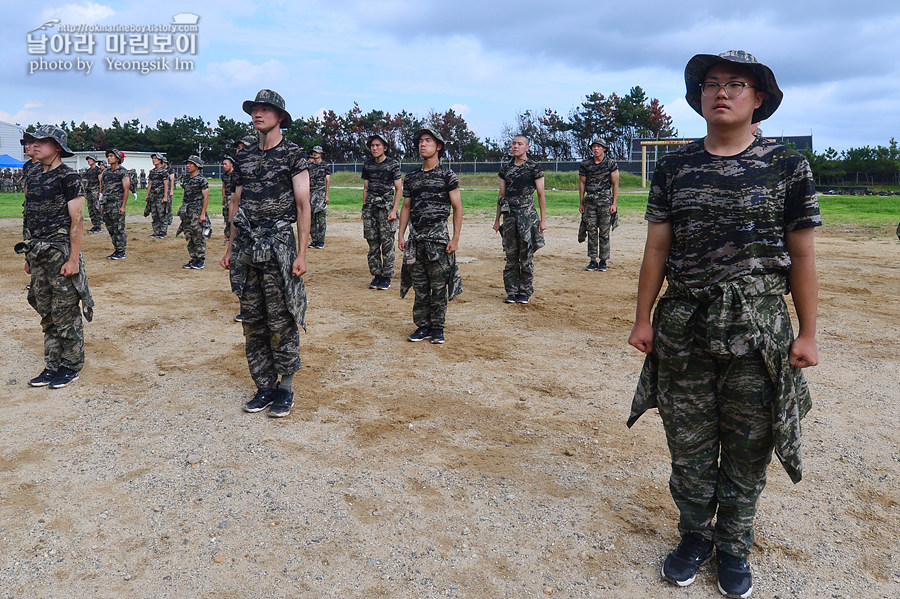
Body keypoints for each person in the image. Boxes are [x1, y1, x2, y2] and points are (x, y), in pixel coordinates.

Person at [626, 50, 820, 599]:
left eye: (737, 84)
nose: (722, 92)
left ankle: (734, 544)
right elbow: (657, 246)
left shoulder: (788, 166)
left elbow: (802, 255)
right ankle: (694, 536)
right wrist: (643, 318)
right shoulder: (675, 167)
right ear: (700, 97)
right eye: (711, 84)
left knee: (748, 444)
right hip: (684, 326)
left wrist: (806, 332)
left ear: (759, 98)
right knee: (687, 441)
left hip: (756, 329)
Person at [221, 88, 310, 418]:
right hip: (247, 248)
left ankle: (285, 388)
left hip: (278, 248)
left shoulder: (293, 155)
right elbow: (236, 204)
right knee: (253, 320)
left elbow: (303, 205)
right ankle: (264, 386)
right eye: (255, 109)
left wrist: (301, 254)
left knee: (281, 317)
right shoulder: (244, 158)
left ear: (280, 117)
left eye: (265, 109)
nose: (258, 113)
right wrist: (231, 247)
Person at [19, 125, 94, 389]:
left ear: (58, 147)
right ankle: (52, 365)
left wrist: (73, 259)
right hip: (38, 254)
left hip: (60, 253)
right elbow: (29, 217)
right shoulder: (35, 175)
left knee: (65, 311)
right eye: (34, 142)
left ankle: (71, 365)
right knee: (47, 312)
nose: (35, 145)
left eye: (43, 142)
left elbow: (78, 220)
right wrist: (29, 255)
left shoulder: (69, 177)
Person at [398, 128, 463, 345]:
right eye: (420, 141)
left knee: (438, 286)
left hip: (438, 241)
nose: (422, 144)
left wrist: (455, 239)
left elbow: (457, 207)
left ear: (439, 146)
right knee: (420, 285)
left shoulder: (447, 175)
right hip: (416, 240)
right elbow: (406, 206)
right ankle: (423, 326)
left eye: (428, 141)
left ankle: (437, 328)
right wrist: (401, 234)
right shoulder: (412, 177)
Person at [493, 135, 548, 304]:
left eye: (520, 144)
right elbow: (501, 195)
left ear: (527, 148)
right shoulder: (506, 169)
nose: (515, 146)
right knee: (510, 255)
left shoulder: (534, 168)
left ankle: (524, 292)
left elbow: (540, 193)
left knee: (525, 255)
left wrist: (543, 219)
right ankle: (512, 291)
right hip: (509, 216)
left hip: (527, 216)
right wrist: (497, 220)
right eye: (514, 143)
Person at [361, 133, 402, 290]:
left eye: (378, 145)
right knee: (372, 242)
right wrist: (364, 208)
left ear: (385, 147)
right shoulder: (368, 164)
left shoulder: (393, 165)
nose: (375, 148)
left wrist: (394, 210)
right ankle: (376, 275)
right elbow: (366, 188)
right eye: (372, 145)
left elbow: (398, 189)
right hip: (371, 207)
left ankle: (386, 276)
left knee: (387, 243)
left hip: (386, 208)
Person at [578, 137, 619, 271]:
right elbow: (582, 183)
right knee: (591, 231)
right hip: (590, 202)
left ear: (604, 149)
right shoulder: (586, 164)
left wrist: (614, 203)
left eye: (599, 146)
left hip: (605, 202)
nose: (596, 149)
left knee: (604, 232)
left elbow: (615, 184)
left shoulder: (610, 164)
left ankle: (603, 260)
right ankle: (592, 259)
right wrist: (581, 203)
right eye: (594, 146)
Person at [176, 155, 210, 269]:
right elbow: (185, 195)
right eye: (187, 163)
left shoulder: (202, 180)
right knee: (189, 235)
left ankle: (200, 259)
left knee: (198, 235)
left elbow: (206, 197)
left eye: (191, 164)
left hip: (197, 210)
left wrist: (203, 213)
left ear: (197, 166)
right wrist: (182, 211)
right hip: (187, 210)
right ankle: (194, 258)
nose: (188, 166)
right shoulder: (186, 179)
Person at [101, 149, 130, 260]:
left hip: (117, 204)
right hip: (108, 203)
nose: (109, 158)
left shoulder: (123, 172)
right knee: (110, 227)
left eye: (111, 156)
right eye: (108, 156)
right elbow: (105, 188)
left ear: (118, 158)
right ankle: (117, 248)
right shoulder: (106, 172)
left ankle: (121, 250)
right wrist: (102, 204)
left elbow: (126, 190)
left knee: (119, 228)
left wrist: (123, 206)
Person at [307, 145, 330, 249]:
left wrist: (327, 195)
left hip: (320, 193)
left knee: (321, 219)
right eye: (313, 152)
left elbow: (327, 180)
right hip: (311, 194)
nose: (314, 153)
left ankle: (321, 241)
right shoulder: (310, 166)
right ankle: (314, 240)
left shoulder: (325, 165)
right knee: (311, 219)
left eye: (317, 152)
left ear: (321, 154)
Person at [145, 152, 170, 238]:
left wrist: (165, 196)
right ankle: (156, 231)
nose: (154, 160)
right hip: (153, 196)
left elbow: (166, 184)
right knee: (154, 214)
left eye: (156, 158)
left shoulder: (164, 171)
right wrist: (147, 195)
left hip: (161, 196)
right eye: (153, 158)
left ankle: (163, 232)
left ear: (160, 160)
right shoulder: (152, 172)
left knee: (162, 214)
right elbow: (150, 184)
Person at [83, 155, 103, 233]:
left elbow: (100, 181)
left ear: (94, 161)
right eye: (88, 159)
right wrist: (85, 192)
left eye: (90, 159)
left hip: (95, 190)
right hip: (89, 191)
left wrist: (100, 192)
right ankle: (94, 225)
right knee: (90, 208)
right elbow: (87, 181)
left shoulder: (98, 170)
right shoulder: (88, 171)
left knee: (96, 208)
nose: (89, 161)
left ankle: (98, 225)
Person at [221, 155, 235, 242]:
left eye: (226, 164)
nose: (224, 166)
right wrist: (223, 199)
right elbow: (223, 187)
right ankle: (228, 235)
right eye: (223, 164)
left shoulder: (235, 175)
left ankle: (233, 235)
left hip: (233, 198)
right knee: (226, 216)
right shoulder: (224, 175)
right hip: (227, 198)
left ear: (231, 165)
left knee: (232, 217)